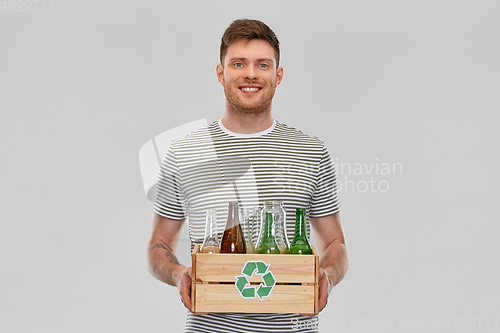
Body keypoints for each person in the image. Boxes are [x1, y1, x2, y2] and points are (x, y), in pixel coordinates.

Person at [147, 19, 348, 333]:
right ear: (220, 73)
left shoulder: (311, 152)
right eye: (238, 63)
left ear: (278, 75)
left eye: (262, 64)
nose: (251, 74)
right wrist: (178, 273)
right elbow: (158, 245)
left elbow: (335, 242)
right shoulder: (185, 153)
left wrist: (328, 275)